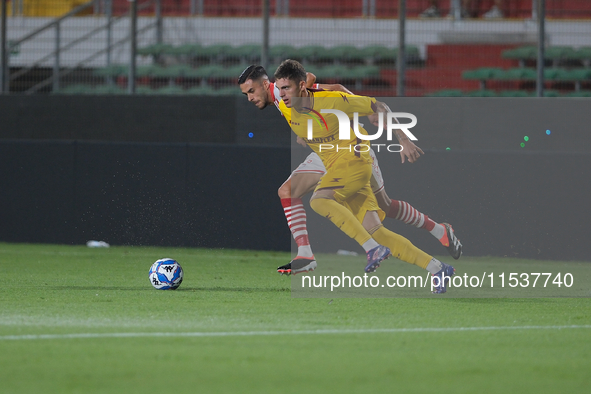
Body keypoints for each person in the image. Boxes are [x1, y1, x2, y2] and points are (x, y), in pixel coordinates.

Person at [238, 65, 462, 277]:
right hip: (326, 151)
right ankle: (305, 254)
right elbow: (311, 80)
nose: (250, 98)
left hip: (351, 148)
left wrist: (358, 107)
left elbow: (332, 89)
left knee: (384, 206)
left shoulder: (280, 89)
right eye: (245, 94)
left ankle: (439, 230)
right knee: (287, 191)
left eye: (251, 91)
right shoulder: (287, 94)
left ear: (265, 83)